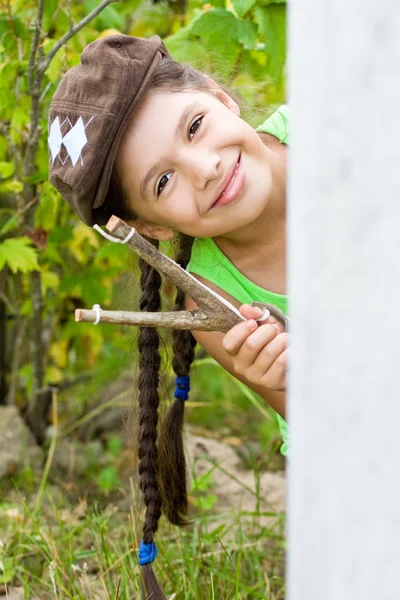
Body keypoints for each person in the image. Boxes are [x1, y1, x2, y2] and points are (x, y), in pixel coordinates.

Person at [48, 33, 289, 599]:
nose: (203, 168)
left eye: (195, 126)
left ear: (219, 96)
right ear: (152, 228)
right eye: (163, 181)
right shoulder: (214, 304)